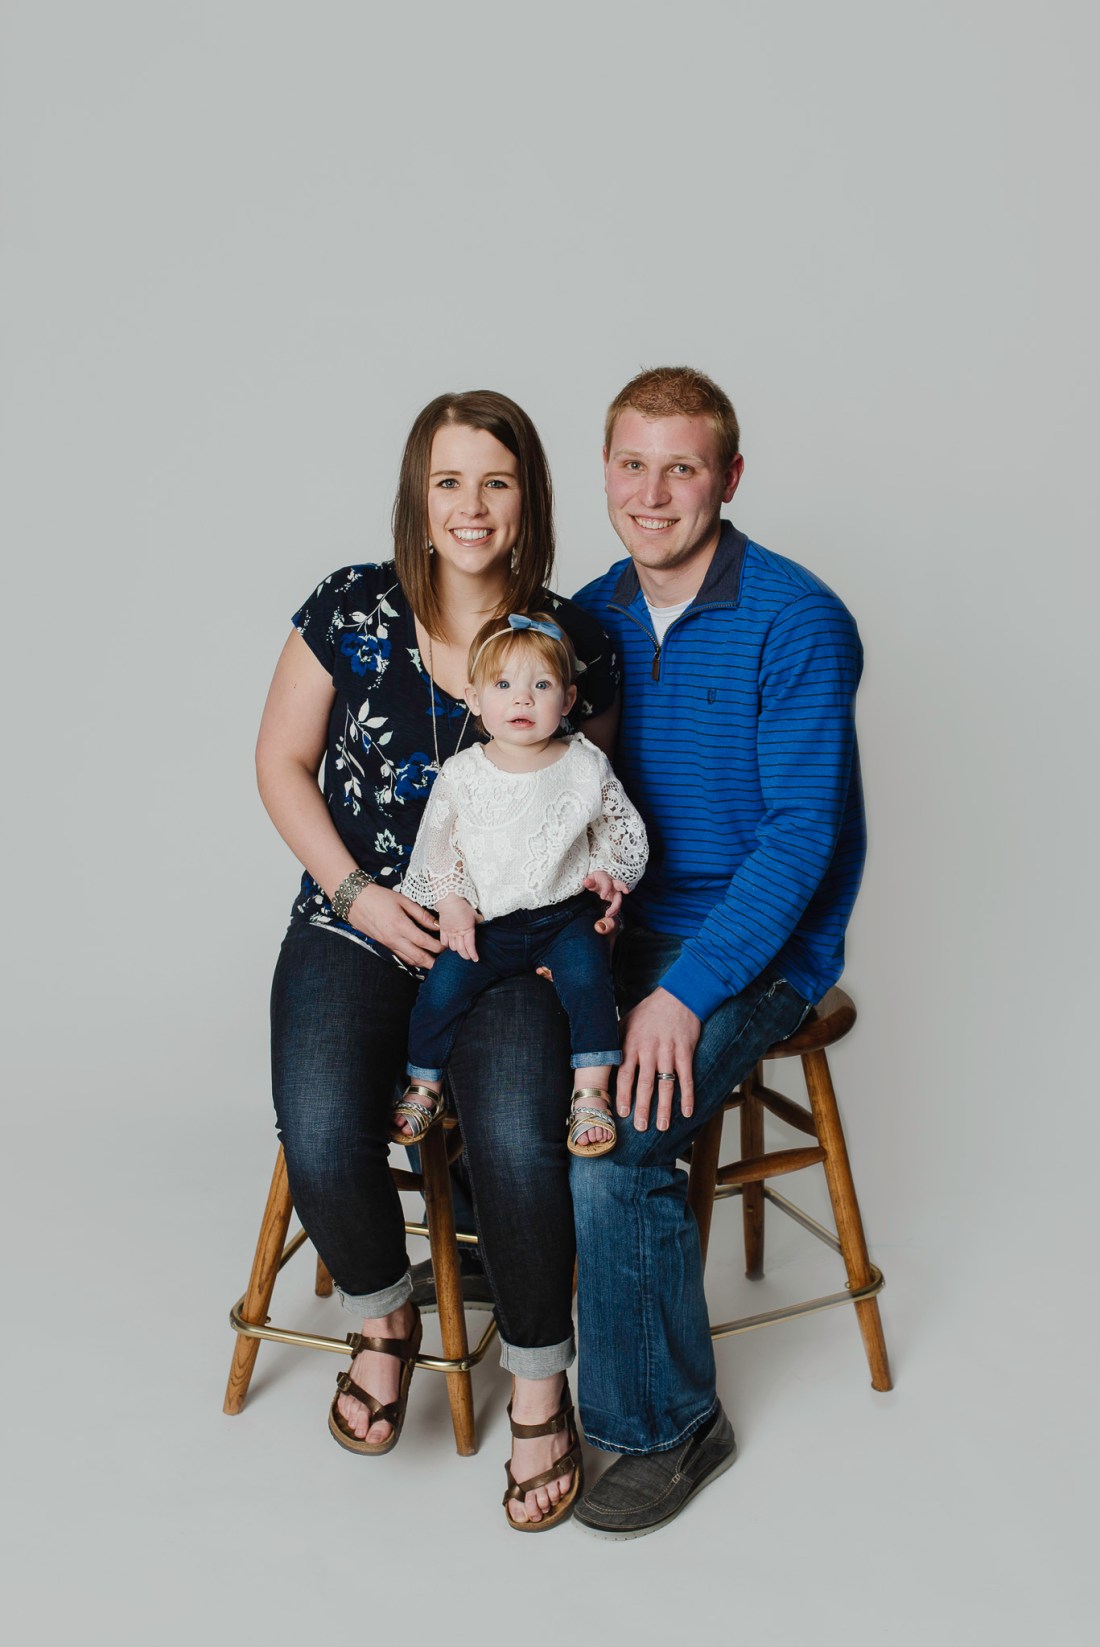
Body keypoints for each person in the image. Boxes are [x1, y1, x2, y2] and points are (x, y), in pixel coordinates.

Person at [256, 389, 622, 1528]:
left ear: (528, 500)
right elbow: (279, 762)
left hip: (508, 950)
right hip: (356, 923)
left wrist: (592, 904)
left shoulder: (577, 640)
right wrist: (358, 896)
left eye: (496, 482)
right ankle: (384, 1318)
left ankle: (538, 1386)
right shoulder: (349, 607)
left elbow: (591, 805)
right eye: (449, 481)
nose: (471, 506)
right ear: (419, 497)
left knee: (515, 1137)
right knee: (322, 1128)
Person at [569, 365, 866, 1538]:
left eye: (680, 468)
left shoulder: (796, 620)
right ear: (604, 472)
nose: (651, 494)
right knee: (491, 1058)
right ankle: (550, 1316)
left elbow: (799, 841)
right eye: (631, 465)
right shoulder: (586, 615)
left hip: (756, 944)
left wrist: (683, 993)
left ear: (727, 478)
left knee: (613, 1145)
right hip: (617, 929)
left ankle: (669, 1424)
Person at [394, 612, 648, 1159]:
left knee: (590, 985)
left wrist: (610, 873)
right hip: (487, 923)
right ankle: (424, 1083)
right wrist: (452, 902)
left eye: (543, 686)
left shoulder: (584, 764)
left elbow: (617, 826)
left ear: (569, 698)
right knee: (441, 990)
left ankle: (591, 1093)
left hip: (565, 916)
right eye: (504, 685)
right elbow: (438, 844)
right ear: (474, 699)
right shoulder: (463, 773)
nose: (523, 700)